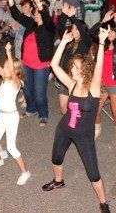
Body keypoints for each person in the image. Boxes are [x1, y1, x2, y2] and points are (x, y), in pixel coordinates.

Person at [44, 26, 111, 213]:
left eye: (75, 67)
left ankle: (104, 202)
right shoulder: (71, 84)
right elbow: (54, 65)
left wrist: (102, 42)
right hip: (65, 129)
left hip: (84, 136)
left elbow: (99, 66)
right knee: (56, 157)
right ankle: (58, 181)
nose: (72, 70)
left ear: (84, 69)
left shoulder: (94, 88)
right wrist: (63, 43)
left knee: (93, 173)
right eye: (72, 67)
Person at [0, 40, 31, 186]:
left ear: (15, 70)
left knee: (11, 147)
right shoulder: (4, 77)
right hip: (2, 116)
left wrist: (9, 52)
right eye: (4, 66)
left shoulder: (18, 82)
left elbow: (15, 76)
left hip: (11, 118)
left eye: (7, 66)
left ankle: (25, 172)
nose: (4, 68)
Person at [7, 0, 55, 126]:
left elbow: (47, 19)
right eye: (34, 12)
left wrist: (39, 3)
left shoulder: (49, 28)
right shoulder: (31, 24)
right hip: (26, 63)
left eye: (38, 12)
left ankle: (43, 114)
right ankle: (31, 109)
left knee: (40, 93)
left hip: (41, 65)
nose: (35, 14)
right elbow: (16, 14)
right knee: (27, 90)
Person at [91, 11, 116, 145]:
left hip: (114, 83)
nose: (111, 33)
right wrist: (103, 21)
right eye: (109, 31)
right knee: (96, 109)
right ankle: (97, 129)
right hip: (101, 82)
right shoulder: (102, 44)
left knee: (115, 110)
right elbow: (91, 33)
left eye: (113, 31)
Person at [55, 3, 92, 116]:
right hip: (66, 77)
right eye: (73, 28)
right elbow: (60, 27)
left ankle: (76, 126)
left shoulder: (85, 43)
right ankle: (69, 124)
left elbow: (82, 30)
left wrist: (73, 17)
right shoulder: (69, 41)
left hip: (78, 79)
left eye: (77, 29)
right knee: (63, 106)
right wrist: (64, 15)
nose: (74, 31)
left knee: (76, 108)